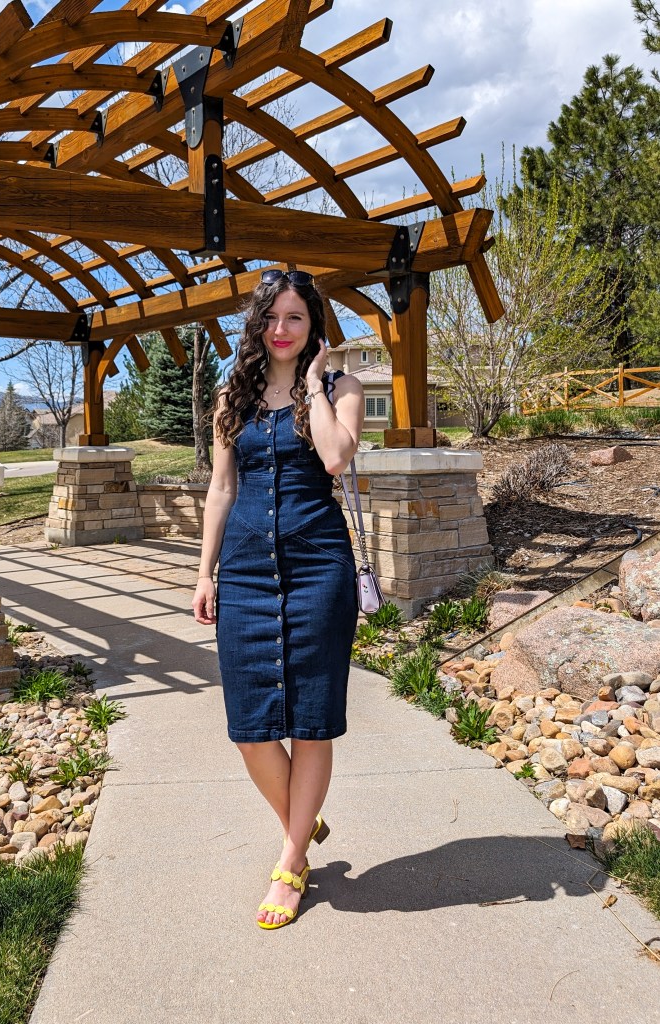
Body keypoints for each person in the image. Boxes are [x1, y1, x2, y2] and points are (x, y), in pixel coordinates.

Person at [192, 269, 364, 930]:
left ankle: (291, 861)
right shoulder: (230, 395)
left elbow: (334, 459)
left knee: (309, 718)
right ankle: (304, 812)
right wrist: (204, 572)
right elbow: (220, 490)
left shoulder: (340, 387)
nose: (282, 329)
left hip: (317, 565)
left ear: (313, 325)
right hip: (242, 568)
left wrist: (317, 385)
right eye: (272, 317)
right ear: (257, 323)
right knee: (250, 725)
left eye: (296, 317)